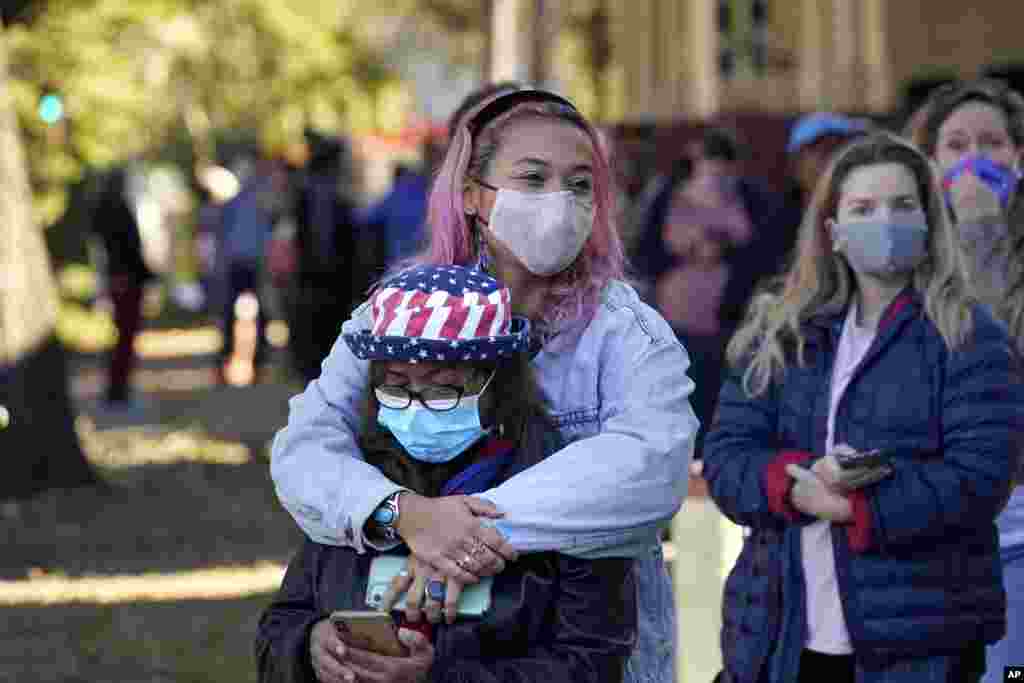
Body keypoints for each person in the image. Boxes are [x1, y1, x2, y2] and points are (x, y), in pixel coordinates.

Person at [270, 88, 698, 683]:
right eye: (532, 178)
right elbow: (304, 451)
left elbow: (650, 468)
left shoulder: (626, 331)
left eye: (579, 184)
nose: (559, 201)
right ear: (471, 194)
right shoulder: (394, 314)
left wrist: (458, 531)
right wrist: (402, 514)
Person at [702, 131, 1024, 683]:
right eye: (864, 208)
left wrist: (857, 508)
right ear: (834, 232)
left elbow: (981, 478)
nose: (885, 220)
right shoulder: (780, 332)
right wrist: (797, 483)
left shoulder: (970, 336)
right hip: (778, 636)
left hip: (920, 643)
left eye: (903, 206)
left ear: (929, 222)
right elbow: (728, 459)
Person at [256, 264, 637, 683]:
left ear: (498, 386)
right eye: (397, 386)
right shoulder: (354, 479)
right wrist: (309, 645)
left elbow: (594, 661)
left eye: (441, 389)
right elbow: (281, 625)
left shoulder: (571, 488)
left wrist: (439, 676)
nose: (415, 405)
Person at [906, 78, 1024, 683]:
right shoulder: (903, 254)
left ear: (1019, 157)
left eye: (993, 143)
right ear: (931, 162)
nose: (975, 160)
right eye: (956, 144)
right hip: (926, 533)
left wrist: (984, 236)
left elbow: (999, 361)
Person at [631, 127, 795, 453]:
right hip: (674, 327)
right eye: (708, 165)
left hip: (733, 326)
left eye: (723, 168)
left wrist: (724, 248)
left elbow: (768, 253)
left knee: (723, 405)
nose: (715, 177)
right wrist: (689, 250)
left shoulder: (753, 199)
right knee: (678, 404)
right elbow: (644, 255)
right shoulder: (666, 197)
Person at [91, 166, 154, 407]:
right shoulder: (115, 210)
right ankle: (117, 390)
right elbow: (125, 250)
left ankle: (118, 388)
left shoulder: (108, 210)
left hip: (123, 279)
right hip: (125, 280)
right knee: (125, 335)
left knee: (124, 336)